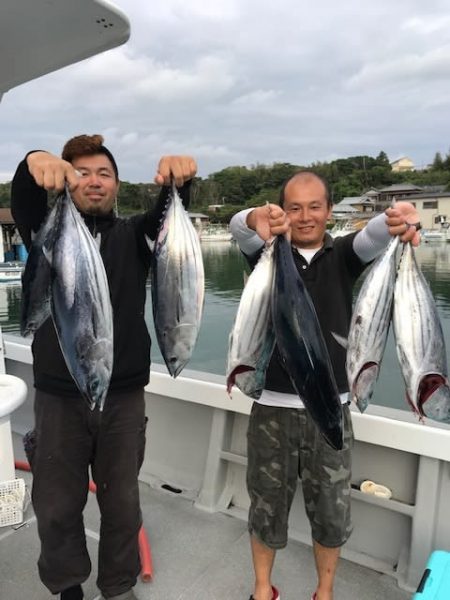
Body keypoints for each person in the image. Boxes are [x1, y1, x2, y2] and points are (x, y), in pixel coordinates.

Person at [11, 134, 197, 600]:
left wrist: (179, 181)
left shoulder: (132, 237)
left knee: (122, 504)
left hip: (123, 397)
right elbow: (24, 197)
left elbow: (165, 221)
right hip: (59, 395)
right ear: (67, 182)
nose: (93, 182)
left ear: (116, 185)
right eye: (81, 173)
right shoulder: (45, 232)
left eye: (104, 174)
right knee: (55, 506)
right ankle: (68, 585)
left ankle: (118, 586)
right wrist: (35, 160)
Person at [229, 171, 421, 600]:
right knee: (265, 507)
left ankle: (325, 592)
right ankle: (263, 590)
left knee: (332, 513)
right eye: (293, 207)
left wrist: (397, 217)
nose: (304, 216)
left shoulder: (344, 256)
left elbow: (374, 234)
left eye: (314, 206)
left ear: (329, 211)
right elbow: (239, 228)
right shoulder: (266, 253)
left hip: (331, 411)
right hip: (272, 407)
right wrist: (257, 214)